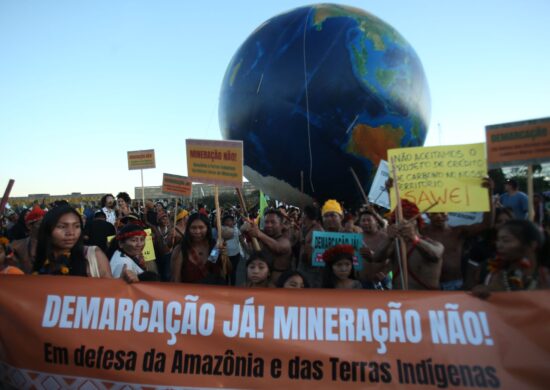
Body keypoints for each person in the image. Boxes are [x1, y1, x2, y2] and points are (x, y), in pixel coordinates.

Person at [373, 200, 444, 290]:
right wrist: (388, 238)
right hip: (399, 299)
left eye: (408, 218)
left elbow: (436, 254)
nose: (403, 222)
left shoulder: (432, 243)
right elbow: (376, 258)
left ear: (416, 222)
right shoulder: (395, 245)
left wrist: (414, 238)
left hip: (425, 300)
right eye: (398, 220)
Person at [472, 220, 549, 297]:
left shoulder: (545, 276)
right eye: (498, 240)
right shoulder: (495, 274)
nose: (499, 245)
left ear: (532, 245)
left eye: (506, 240)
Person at [33, 205, 112, 278]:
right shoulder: (33, 256)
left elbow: (110, 290)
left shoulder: (93, 256)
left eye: (77, 226)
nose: (71, 232)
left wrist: (122, 283)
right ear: (47, 229)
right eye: (62, 226)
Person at [170, 213, 222, 284]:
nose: (197, 231)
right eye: (193, 228)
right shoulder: (180, 249)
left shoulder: (214, 247)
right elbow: (176, 279)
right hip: (188, 294)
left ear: (207, 228)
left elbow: (220, 268)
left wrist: (224, 254)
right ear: (188, 229)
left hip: (211, 293)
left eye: (201, 227)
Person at [245, 209, 292, 284]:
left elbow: (278, 247)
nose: (269, 225)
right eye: (266, 222)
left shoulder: (285, 240)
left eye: (273, 222)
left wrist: (259, 234)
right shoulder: (263, 235)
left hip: (277, 285)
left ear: (281, 225)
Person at [11, 205, 45, 273]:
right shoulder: (16, 246)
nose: (45, 227)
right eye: (41, 224)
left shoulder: (55, 244)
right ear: (29, 226)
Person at [298, 205, 324, 288]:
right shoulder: (306, 228)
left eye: (303, 214)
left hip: (312, 272)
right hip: (304, 268)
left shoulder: (318, 231)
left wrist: (306, 251)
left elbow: (315, 257)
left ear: (306, 215)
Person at [221, 213, 243, 286]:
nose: (228, 222)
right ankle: (226, 287)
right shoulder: (221, 230)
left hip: (236, 255)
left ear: (233, 222)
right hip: (226, 256)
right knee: (226, 273)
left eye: (230, 220)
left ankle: (233, 288)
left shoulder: (237, 230)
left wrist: (248, 250)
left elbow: (241, 240)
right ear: (223, 222)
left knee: (233, 272)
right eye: (226, 221)